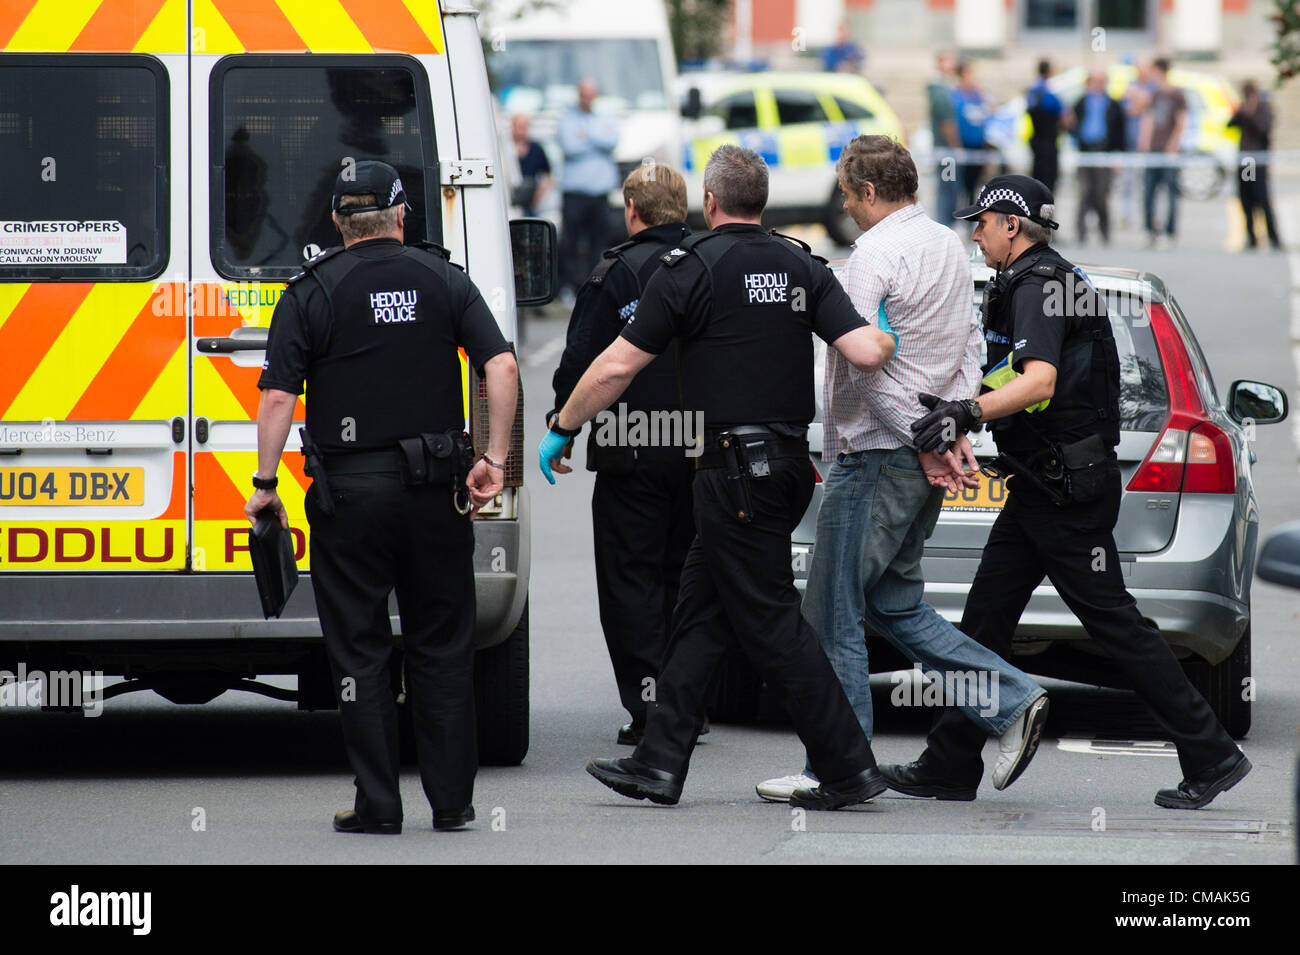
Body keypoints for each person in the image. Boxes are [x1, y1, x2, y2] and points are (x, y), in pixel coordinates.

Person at [541, 145, 899, 810]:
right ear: (760, 201)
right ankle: (658, 761)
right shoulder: (801, 264)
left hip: (733, 472)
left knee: (772, 623)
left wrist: (564, 424)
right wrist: (885, 331)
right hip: (788, 467)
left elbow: (616, 366)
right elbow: (865, 351)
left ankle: (848, 763)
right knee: (701, 613)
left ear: (710, 203)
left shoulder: (691, 268)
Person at [888, 174, 1251, 810]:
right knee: (986, 619)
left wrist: (967, 413)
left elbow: (1040, 382)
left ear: (1010, 224)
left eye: (982, 222)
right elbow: (1017, 376)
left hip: (1064, 493)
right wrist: (960, 403)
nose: (973, 232)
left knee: (1116, 626)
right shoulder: (1046, 280)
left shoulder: (1038, 285)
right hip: (1046, 487)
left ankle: (1212, 752)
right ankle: (948, 762)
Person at [756, 136, 1049, 803]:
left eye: (846, 194)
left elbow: (868, 365)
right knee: (895, 605)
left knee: (832, 609)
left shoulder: (874, 254)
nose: (846, 207)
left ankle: (841, 764)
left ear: (864, 192)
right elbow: (972, 342)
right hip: (916, 453)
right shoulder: (949, 242)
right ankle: (1014, 695)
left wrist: (924, 435)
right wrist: (949, 422)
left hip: (876, 455)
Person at [246, 160, 519, 834]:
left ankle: (378, 803)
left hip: (350, 496)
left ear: (338, 223)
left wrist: (264, 483)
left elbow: (280, 396)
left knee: (361, 649)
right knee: (442, 643)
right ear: (402, 216)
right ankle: (451, 801)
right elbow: (503, 365)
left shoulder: (310, 291)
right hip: (435, 489)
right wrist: (495, 459)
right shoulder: (444, 279)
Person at [546, 163, 696, 746]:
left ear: (632, 211)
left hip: (630, 447)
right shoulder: (707, 262)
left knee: (629, 579)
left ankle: (651, 708)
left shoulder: (617, 271)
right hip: (698, 445)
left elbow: (583, 360)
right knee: (685, 574)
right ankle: (687, 704)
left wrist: (565, 427)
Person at [557, 78, 620, 303]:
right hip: (575, 193)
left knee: (599, 243)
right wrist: (597, 140)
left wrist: (587, 135)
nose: (587, 98)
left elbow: (612, 141)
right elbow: (570, 146)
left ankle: (595, 286)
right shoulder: (567, 118)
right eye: (584, 93)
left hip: (599, 194)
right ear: (578, 94)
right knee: (571, 243)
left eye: (591, 93)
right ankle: (568, 288)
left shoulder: (603, 117)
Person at [1072, 70, 1126, 244]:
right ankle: (1081, 232)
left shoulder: (1113, 104)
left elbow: (1120, 132)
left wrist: (1118, 156)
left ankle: (1104, 232)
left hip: (1104, 151)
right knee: (1084, 192)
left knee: (1102, 193)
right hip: (1085, 150)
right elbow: (1072, 125)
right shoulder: (1081, 103)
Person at [1227, 80, 1282, 252]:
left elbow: (1263, 130)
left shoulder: (1263, 109)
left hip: (1256, 161)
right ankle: (1251, 237)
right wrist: (1242, 111)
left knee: (1262, 199)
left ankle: (1273, 237)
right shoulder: (1243, 110)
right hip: (1245, 161)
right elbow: (1230, 124)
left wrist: (1250, 113)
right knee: (1246, 199)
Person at [1138, 58, 1186, 248]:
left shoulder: (1176, 94)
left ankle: (1169, 232)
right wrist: (1144, 144)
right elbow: (1147, 119)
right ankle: (1150, 230)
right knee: (1149, 191)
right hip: (1154, 151)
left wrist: (1173, 146)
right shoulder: (1154, 94)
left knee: (1171, 193)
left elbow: (1181, 121)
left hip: (1168, 153)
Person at [927, 51, 962, 227]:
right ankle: (944, 223)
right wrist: (955, 144)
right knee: (947, 187)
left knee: (949, 186)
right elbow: (947, 122)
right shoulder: (939, 91)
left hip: (945, 148)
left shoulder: (946, 88)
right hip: (946, 149)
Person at [952, 60, 991, 207]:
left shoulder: (979, 95)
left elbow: (989, 112)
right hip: (963, 146)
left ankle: (972, 212)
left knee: (975, 184)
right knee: (958, 183)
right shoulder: (955, 96)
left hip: (978, 145)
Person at [1026, 59, 1066, 192]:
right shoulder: (1050, 96)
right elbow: (1064, 116)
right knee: (1048, 183)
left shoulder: (1032, 92)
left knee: (1036, 182)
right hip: (1048, 144)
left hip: (1036, 142)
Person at [509, 113, 551, 217]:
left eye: (524, 126)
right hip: (510, 201)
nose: (521, 130)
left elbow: (547, 177)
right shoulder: (504, 149)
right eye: (518, 126)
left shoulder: (536, 149)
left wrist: (537, 198)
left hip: (530, 203)